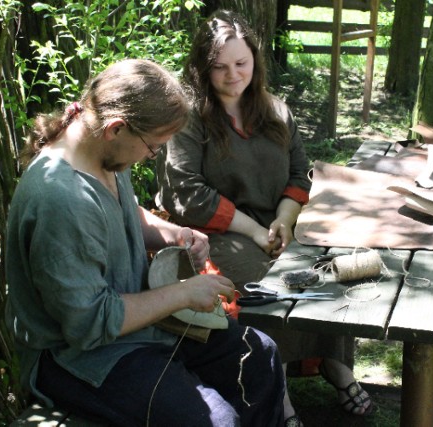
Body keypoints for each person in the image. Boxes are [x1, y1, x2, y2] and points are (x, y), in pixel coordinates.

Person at [5, 58, 287, 427]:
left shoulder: (99, 154)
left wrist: (173, 233)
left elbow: (126, 214)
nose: (150, 157)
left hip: (137, 329)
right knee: (216, 423)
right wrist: (185, 294)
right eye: (153, 147)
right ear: (117, 128)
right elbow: (91, 323)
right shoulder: (61, 199)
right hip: (79, 359)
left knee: (259, 358)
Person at [155, 10, 373, 422]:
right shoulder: (189, 120)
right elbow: (186, 194)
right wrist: (256, 230)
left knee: (327, 268)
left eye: (241, 63)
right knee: (270, 285)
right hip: (212, 233)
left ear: (255, 60)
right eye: (219, 67)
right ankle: (279, 393)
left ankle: (333, 361)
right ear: (203, 68)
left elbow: (300, 172)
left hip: (278, 225)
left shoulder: (275, 110)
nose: (232, 74)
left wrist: (285, 221)